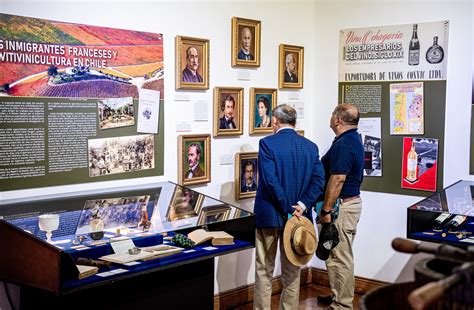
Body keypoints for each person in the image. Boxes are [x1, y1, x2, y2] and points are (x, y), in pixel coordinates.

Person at [254, 104, 325, 309]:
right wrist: (301, 205)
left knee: (264, 270)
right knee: (293, 271)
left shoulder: (267, 143)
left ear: (275, 121)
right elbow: (318, 181)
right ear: (295, 122)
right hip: (298, 219)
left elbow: (270, 181)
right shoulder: (310, 147)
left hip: (270, 214)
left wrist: (288, 207)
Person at [317, 103, 364, 310]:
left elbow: (337, 179)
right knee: (337, 254)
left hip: (340, 208)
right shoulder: (351, 139)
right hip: (347, 205)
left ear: (338, 120)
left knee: (339, 256)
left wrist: (326, 210)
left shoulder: (344, 144)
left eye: (332, 115)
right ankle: (339, 295)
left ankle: (343, 305)